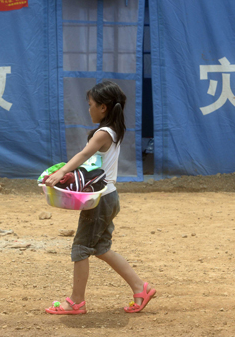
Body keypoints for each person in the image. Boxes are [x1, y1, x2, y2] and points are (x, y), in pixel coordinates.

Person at [44, 80, 156, 315]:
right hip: (109, 197)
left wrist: (62, 172)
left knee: (81, 248)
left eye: (91, 104)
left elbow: (84, 154)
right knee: (101, 248)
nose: (89, 109)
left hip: (100, 200)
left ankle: (76, 302)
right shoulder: (114, 130)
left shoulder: (104, 133)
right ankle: (140, 287)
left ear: (103, 107)